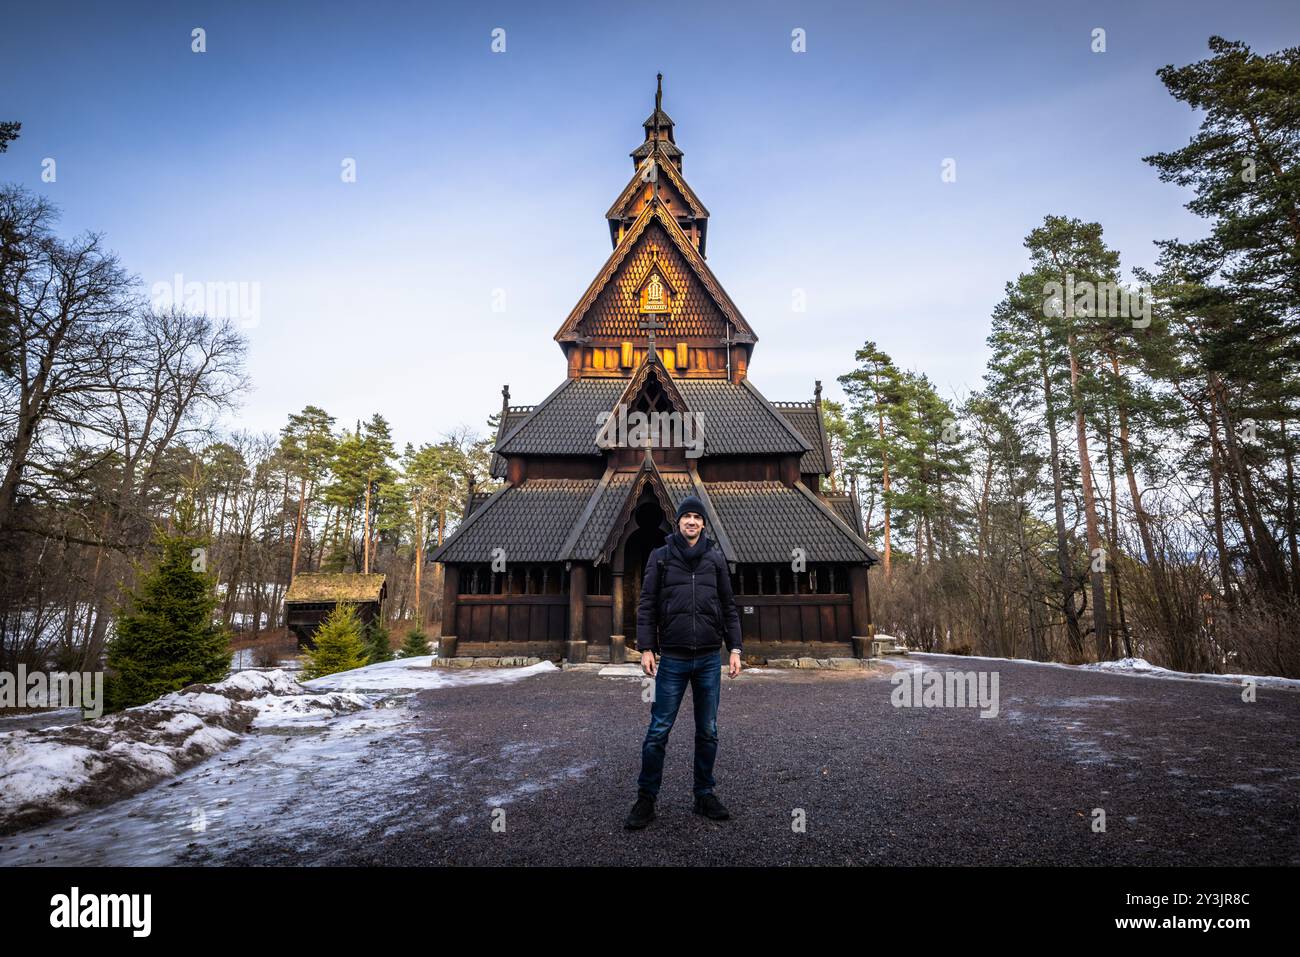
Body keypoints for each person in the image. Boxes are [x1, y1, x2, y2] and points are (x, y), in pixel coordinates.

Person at [625, 495, 742, 830]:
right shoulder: (660, 558)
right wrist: (646, 647)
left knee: (708, 730)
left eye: (697, 517)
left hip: (708, 658)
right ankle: (646, 798)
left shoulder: (715, 559)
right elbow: (646, 604)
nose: (691, 521)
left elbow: (728, 605)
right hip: (673, 658)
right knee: (658, 730)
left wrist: (734, 649)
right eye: (686, 516)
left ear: (704, 523)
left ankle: (704, 794)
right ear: (677, 521)